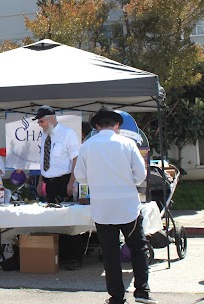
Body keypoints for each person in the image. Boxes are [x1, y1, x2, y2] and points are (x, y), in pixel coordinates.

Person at [74, 106, 157, 304]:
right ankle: (142, 292)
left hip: (103, 208)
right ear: (117, 125)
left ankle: (117, 296)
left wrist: (95, 181)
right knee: (138, 248)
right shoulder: (127, 144)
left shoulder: (87, 146)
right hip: (127, 205)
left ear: (96, 126)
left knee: (110, 254)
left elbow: (80, 177)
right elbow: (141, 176)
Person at [32, 105, 82, 270]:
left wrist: (71, 182)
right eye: (39, 122)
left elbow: (76, 160)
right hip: (49, 182)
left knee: (68, 220)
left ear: (51, 118)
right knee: (53, 220)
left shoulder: (67, 134)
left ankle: (74, 258)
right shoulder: (44, 136)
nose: (40, 124)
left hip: (64, 181)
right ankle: (57, 255)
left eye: (42, 121)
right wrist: (41, 181)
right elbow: (44, 161)